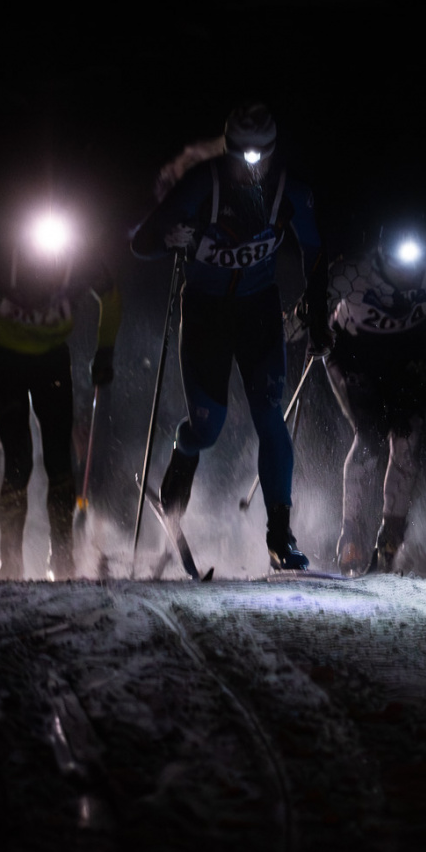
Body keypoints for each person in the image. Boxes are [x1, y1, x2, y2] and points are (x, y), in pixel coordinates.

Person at [129, 102, 330, 570]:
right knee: (208, 427)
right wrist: (167, 241)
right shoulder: (203, 183)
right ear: (228, 150)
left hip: (258, 311)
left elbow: (316, 249)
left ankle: (280, 536)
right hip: (207, 312)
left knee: (270, 415)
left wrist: (317, 314)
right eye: (242, 157)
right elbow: (141, 242)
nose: (251, 168)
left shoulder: (289, 190)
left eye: (261, 157)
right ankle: (181, 463)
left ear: (273, 152)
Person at [0, 210, 121, 579]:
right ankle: (10, 562)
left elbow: (111, 297)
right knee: (19, 460)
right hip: (4, 361)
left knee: (58, 461)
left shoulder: (79, 262)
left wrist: (105, 352)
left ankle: (63, 559)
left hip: (51, 362)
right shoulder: (1, 259)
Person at [323, 230, 426, 574]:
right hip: (352, 351)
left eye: (414, 266)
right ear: (382, 256)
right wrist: (309, 325)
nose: (408, 275)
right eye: (398, 266)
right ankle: (350, 536)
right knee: (370, 437)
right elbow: (311, 305)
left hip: (401, 356)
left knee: (407, 441)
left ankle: (391, 538)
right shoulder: (354, 272)